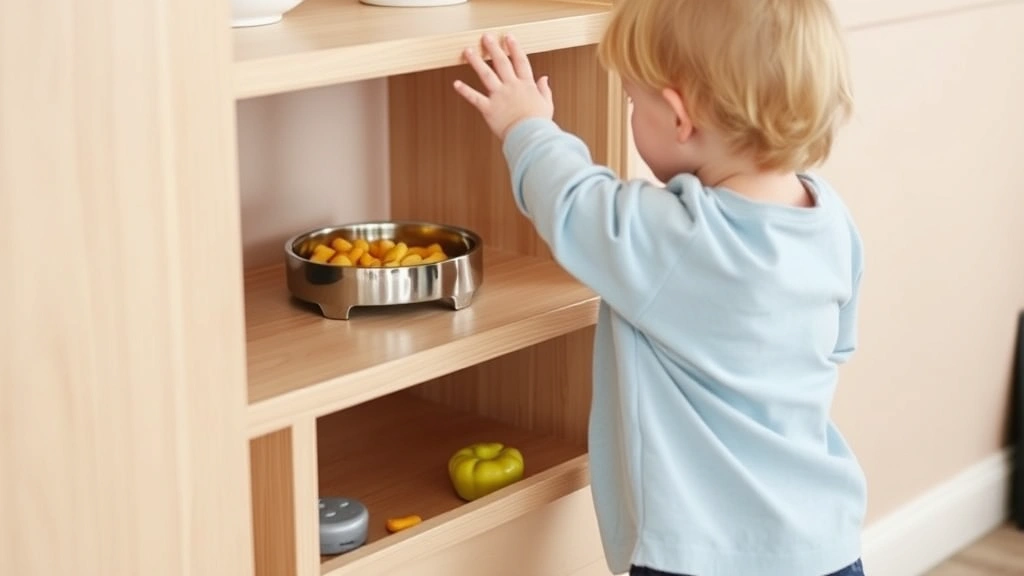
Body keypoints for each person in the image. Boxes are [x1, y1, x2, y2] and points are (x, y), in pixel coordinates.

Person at [453, 0, 866, 574]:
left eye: (630, 100)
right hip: (824, 541)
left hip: (703, 554)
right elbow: (837, 346)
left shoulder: (683, 237)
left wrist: (526, 125)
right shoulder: (829, 217)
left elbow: (574, 203)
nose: (628, 111)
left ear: (679, 117)